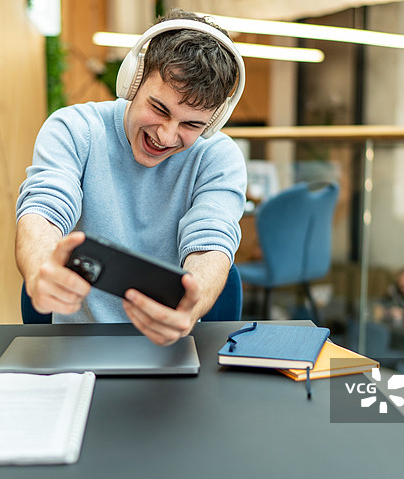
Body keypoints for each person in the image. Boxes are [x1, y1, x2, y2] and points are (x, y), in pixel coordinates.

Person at [15, 9, 247, 346]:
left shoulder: (218, 157)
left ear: (212, 122)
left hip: (174, 349)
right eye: (159, 109)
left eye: (191, 125)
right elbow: (44, 208)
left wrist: (189, 307)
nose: (167, 136)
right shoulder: (74, 129)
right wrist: (38, 271)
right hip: (79, 348)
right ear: (133, 81)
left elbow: (211, 244)